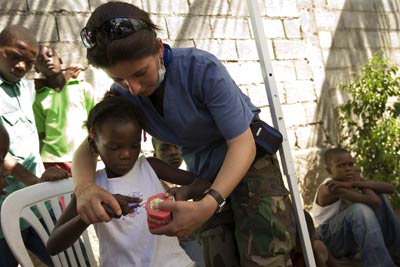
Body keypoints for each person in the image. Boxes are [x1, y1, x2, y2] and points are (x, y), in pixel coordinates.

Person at [72, 2, 296, 266]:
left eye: (139, 73)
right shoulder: (123, 95)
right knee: (217, 258)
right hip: (203, 174)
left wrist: (209, 203)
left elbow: (242, 143)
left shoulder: (201, 69)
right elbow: (90, 145)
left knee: (265, 255)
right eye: (120, 79)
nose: (132, 88)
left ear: (158, 48)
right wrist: (85, 188)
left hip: (251, 166)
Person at [47, 96, 210, 266]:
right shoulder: (92, 190)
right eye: (115, 147)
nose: (126, 154)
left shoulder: (150, 167)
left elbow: (204, 183)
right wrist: (90, 216)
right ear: (94, 145)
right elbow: (53, 245)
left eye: (134, 145)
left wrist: (186, 192)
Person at [0, 25, 70, 267]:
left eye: (28, 63)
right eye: (14, 57)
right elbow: (2, 156)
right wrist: (34, 181)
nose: (21, 66)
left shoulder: (25, 87)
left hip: (38, 205)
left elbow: (44, 83)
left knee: (65, 259)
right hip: (5, 206)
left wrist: (67, 75)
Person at [311, 148, 400, 267]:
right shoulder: (330, 187)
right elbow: (374, 201)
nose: (348, 169)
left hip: (347, 236)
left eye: (350, 164)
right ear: (329, 170)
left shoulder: (349, 181)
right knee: (359, 210)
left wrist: (358, 183)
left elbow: (391, 188)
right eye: (341, 166)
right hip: (329, 239)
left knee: (380, 194)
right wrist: (358, 183)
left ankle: (396, 253)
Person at [33, 45, 96, 174]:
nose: (47, 60)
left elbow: (94, 121)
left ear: (60, 60)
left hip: (82, 155)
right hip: (51, 161)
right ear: (36, 69)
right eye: (40, 59)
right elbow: (41, 133)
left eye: (50, 55)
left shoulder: (83, 88)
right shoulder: (38, 98)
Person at [152, 137, 205, 267]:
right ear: (155, 155)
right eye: (164, 149)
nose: (173, 152)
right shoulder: (156, 184)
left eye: (176, 147)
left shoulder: (180, 178)